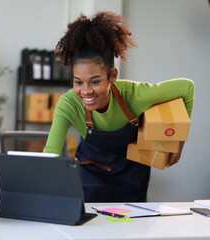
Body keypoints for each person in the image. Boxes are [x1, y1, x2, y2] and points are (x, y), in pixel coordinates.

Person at [43, 11, 194, 202]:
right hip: (90, 178)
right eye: (78, 82)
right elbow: (51, 153)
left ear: (112, 76)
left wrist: (178, 144)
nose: (86, 91)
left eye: (95, 82)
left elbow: (186, 88)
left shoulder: (134, 94)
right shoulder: (68, 104)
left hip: (132, 179)